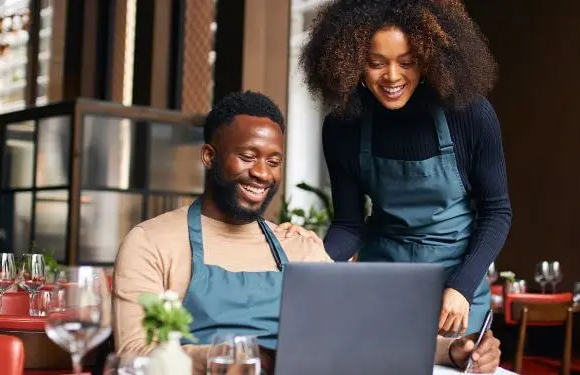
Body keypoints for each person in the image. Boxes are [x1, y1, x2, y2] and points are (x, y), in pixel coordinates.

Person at [113, 91, 501, 373]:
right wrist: (231, 360)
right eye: (247, 157)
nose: (262, 173)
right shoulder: (152, 243)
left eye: (274, 161)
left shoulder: (295, 246)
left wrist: (454, 351)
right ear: (209, 157)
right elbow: (132, 355)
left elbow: (365, 333)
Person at [288, 0, 513, 337]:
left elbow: (497, 212)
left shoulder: (470, 115)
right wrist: (315, 258)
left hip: (454, 288)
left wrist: (462, 287)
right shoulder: (343, 126)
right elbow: (349, 226)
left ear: (428, 58)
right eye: (375, 63)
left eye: (407, 62)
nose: (392, 77)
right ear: (352, 63)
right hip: (382, 283)